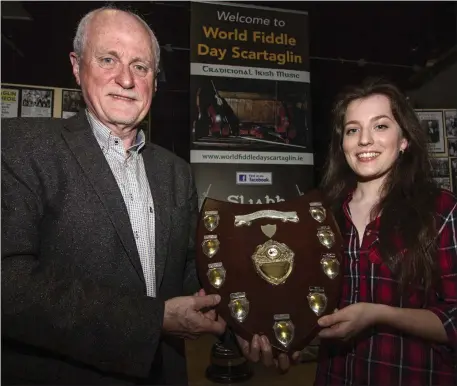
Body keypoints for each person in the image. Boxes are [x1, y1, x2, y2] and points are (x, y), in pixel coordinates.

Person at [1, 6, 225, 385]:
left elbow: (190, 270)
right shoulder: (21, 146)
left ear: (154, 79)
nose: (126, 79)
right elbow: (8, 283)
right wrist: (153, 321)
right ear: (76, 66)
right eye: (108, 59)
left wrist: (247, 320)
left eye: (141, 67)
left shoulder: (176, 172)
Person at [238, 79, 457, 385]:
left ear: (404, 139)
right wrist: (281, 340)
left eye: (380, 126)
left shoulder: (441, 211)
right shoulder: (321, 215)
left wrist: (379, 314)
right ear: (343, 145)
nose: (364, 140)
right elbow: (302, 302)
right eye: (353, 130)